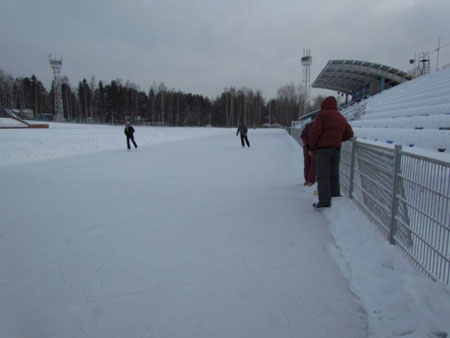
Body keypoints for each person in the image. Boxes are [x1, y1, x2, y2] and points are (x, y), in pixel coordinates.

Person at [309, 96, 353, 208]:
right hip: (336, 150)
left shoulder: (322, 116)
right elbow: (350, 134)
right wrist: (337, 139)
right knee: (334, 175)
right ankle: (335, 197)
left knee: (323, 175)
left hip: (323, 150)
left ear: (324, 105)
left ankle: (324, 201)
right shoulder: (341, 117)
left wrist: (311, 147)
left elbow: (315, 133)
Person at [300, 117, 316, 186]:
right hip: (313, 148)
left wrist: (306, 143)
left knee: (308, 164)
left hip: (307, 147)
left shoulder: (307, 126)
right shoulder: (318, 127)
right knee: (312, 164)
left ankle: (308, 180)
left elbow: (302, 136)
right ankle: (310, 180)